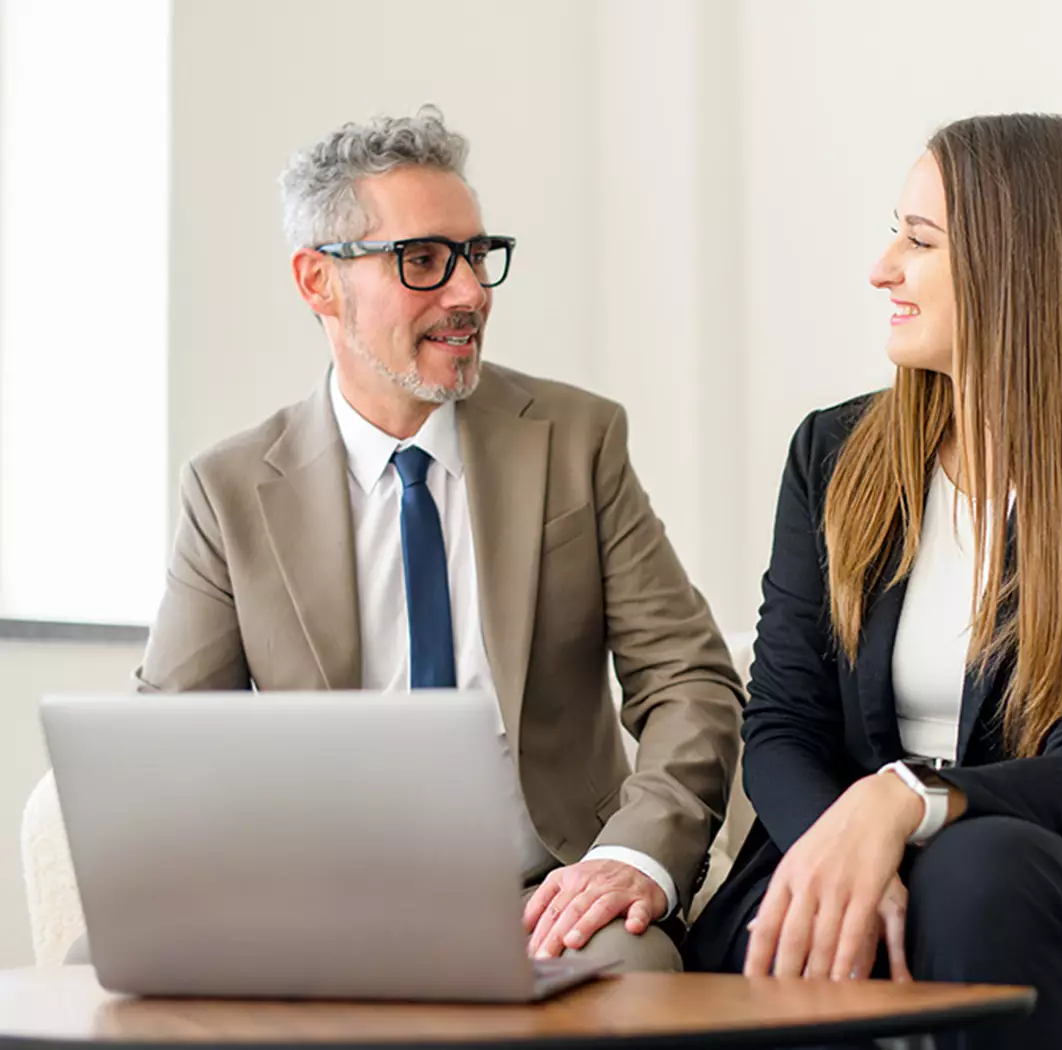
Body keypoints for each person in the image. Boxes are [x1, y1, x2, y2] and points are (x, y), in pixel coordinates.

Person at [102, 107, 743, 973]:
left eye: (477, 255)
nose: (471, 293)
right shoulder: (230, 489)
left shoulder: (575, 440)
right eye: (425, 260)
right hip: (322, 907)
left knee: (633, 973)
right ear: (318, 281)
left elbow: (688, 680)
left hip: (546, 900)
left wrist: (627, 857)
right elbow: (170, 747)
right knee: (92, 971)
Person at [684, 114, 1062, 1050]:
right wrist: (855, 852)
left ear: (1020, 269)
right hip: (829, 860)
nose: (882, 266)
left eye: (919, 240)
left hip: (1047, 893)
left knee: (980, 874)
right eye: (894, 228)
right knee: (849, 915)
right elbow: (780, 727)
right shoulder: (832, 455)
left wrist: (905, 802)